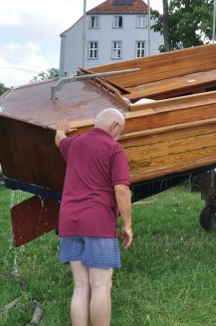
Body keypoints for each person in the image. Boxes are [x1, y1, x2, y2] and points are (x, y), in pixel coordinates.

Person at [54, 108, 132, 326]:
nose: (120, 136)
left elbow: (60, 140)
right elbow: (122, 190)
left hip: (69, 221)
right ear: (114, 126)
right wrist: (127, 224)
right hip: (97, 222)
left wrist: (60, 129)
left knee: (80, 285)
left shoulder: (74, 144)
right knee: (100, 285)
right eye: (121, 131)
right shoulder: (113, 149)